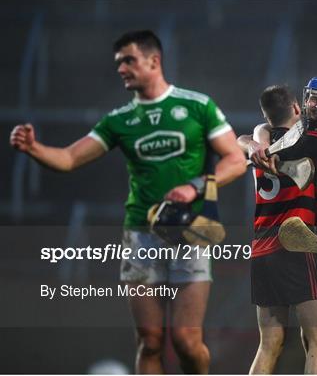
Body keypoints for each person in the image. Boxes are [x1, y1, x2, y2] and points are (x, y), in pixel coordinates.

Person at [10, 30, 246, 374]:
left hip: (190, 233)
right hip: (140, 234)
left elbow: (236, 160)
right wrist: (33, 148)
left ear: (154, 61)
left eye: (129, 60)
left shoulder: (197, 105)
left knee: (185, 340)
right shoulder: (118, 121)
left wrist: (196, 186)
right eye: (119, 62)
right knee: (149, 341)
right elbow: (68, 159)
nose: (121, 68)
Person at [237, 76, 317, 374]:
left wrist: (251, 140)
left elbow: (246, 137)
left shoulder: (262, 144)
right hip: (295, 247)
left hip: (261, 250)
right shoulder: (304, 140)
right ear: (297, 107)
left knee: (269, 344)